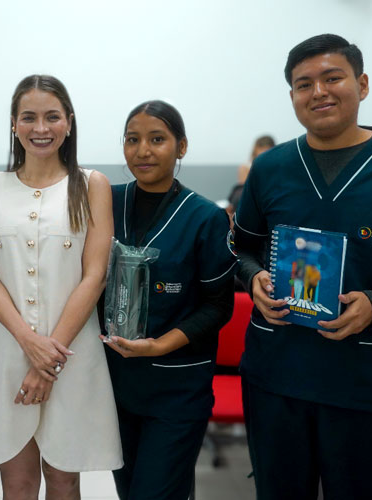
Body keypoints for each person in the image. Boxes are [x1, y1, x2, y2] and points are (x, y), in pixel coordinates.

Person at [234, 34, 372, 500]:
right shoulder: (270, 169)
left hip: (368, 382)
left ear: (362, 84)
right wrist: (254, 278)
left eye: (333, 78)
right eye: (303, 84)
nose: (318, 92)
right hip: (277, 377)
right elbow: (238, 252)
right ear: (292, 97)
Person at [0, 74, 122, 499]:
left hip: (71, 353)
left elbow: (95, 275)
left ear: (68, 122)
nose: (41, 128)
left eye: (52, 117)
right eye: (29, 117)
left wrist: (46, 359)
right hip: (7, 351)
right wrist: (28, 342)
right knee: (15, 481)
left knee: (65, 478)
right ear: (14, 124)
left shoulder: (91, 185)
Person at [101, 101, 237, 500]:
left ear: (181, 147)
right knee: (129, 491)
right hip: (114, 386)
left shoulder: (204, 218)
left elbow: (218, 306)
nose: (143, 151)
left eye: (157, 139)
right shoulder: (106, 203)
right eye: (132, 140)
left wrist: (160, 345)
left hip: (176, 389)